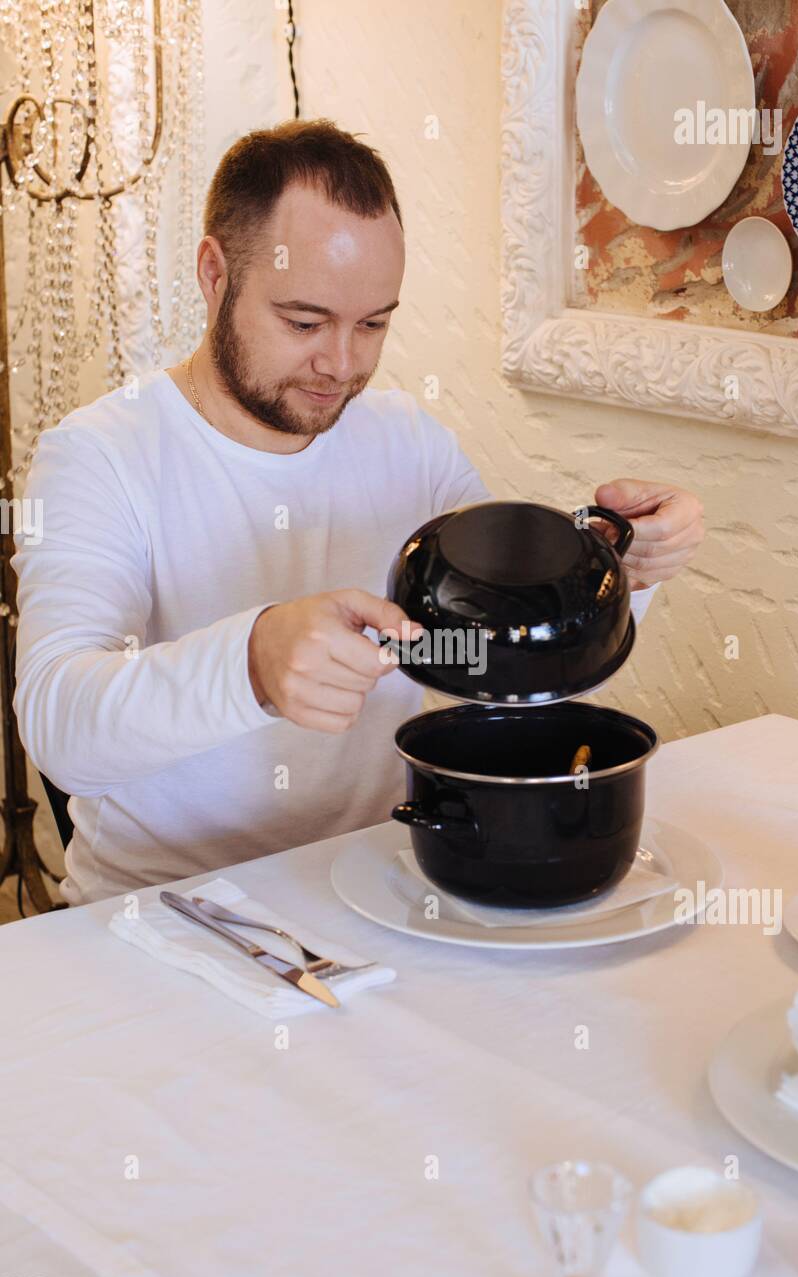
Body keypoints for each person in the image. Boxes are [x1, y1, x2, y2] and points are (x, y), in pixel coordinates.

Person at [12, 118, 704, 907]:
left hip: (377, 891)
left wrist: (620, 567)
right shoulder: (102, 454)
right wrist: (253, 661)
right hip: (167, 916)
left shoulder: (407, 439)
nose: (342, 364)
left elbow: (496, 649)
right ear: (214, 274)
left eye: (374, 323)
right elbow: (60, 726)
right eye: (304, 322)